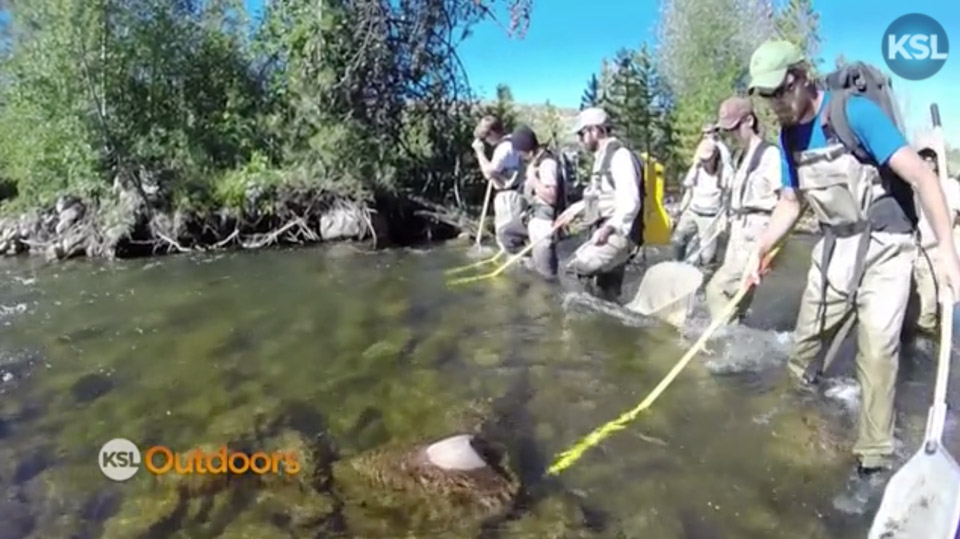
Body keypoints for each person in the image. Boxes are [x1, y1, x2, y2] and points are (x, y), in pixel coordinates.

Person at [742, 40, 960, 474]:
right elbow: (791, 201)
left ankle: (873, 458)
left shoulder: (854, 114)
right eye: (766, 97)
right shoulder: (788, 137)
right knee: (803, 351)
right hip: (832, 248)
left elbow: (923, 178)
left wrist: (950, 263)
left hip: (885, 245)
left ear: (801, 77)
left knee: (877, 348)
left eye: (780, 91)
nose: (776, 104)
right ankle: (801, 422)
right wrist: (759, 249)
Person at [704, 96, 781, 324]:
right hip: (738, 231)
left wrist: (768, 246)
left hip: (756, 233)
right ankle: (736, 339)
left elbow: (784, 201)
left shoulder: (771, 155)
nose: (730, 135)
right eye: (726, 131)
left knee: (716, 289)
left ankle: (721, 339)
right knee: (738, 299)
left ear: (749, 120)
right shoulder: (741, 156)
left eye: (734, 129)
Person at [555, 107, 643, 303]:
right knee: (606, 294)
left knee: (570, 271)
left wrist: (608, 228)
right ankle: (611, 327)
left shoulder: (619, 157)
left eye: (582, 133)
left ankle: (582, 321)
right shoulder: (602, 158)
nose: (580, 139)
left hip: (618, 234)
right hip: (610, 232)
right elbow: (603, 197)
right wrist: (574, 210)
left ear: (596, 130)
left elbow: (631, 202)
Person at [904, 131, 960, 335]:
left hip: (937, 256)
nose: (928, 162)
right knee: (909, 309)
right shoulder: (911, 186)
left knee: (930, 311)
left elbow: (949, 219)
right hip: (913, 253)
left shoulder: (950, 187)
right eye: (923, 157)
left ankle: (927, 351)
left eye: (931, 157)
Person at [509, 124, 564, 280]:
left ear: (528, 150)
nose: (520, 156)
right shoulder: (535, 162)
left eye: (520, 153)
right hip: (534, 218)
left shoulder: (547, 164)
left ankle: (549, 297)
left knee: (546, 277)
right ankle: (529, 262)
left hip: (546, 222)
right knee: (507, 232)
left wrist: (533, 179)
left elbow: (551, 196)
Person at [471, 116, 526, 254]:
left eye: (486, 136)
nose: (486, 141)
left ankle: (516, 268)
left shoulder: (504, 148)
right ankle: (517, 263)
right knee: (512, 237)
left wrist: (479, 152)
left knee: (507, 237)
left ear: (493, 133)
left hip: (509, 197)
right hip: (514, 194)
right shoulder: (512, 142)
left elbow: (489, 173)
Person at [671, 136, 728, 266]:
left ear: (714, 156)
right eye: (702, 159)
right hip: (692, 212)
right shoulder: (696, 170)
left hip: (711, 217)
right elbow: (689, 193)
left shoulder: (724, 173)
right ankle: (676, 268)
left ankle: (705, 278)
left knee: (707, 256)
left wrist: (723, 218)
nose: (704, 162)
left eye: (707, 159)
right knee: (678, 240)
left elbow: (727, 198)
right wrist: (679, 212)